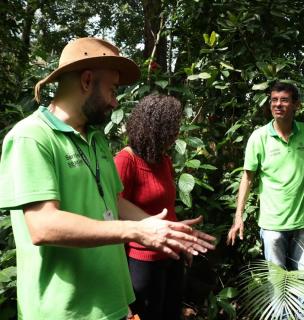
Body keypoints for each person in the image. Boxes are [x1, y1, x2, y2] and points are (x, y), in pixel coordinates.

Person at [0, 37, 215, 320]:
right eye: (112, 90)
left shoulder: (96, 139)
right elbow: (43, 226)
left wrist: (166, 229)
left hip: (109, 303)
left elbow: (114, 202)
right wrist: (135, 232)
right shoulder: (32, 137)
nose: (115, 102)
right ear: (87, 80)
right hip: (64, 311)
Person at [114, 93, 201, 320]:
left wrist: (180, 240)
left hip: (171, 255)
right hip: (142, 259)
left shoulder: (164, 161)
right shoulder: (127, 160)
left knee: (171, 313)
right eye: (172, 128)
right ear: (154, 128)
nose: (176, 134)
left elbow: (166, 209)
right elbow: (113, 212)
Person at [226, 82, 304, 272]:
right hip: (272, 224)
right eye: (274, 100)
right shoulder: (259, 137)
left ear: (296, 105)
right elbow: (247, 179)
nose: (278, 104)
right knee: (277, 284)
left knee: (303, 281)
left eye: (284, 100)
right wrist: (238, 217)